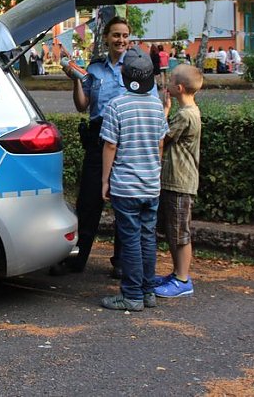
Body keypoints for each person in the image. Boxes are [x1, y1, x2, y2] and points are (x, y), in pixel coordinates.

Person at [50, 16, 157, 278]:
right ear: (106, 38)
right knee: (88, 203)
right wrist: (75, 79)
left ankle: (121, 262)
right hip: (98, 140)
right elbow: (82, 105)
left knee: (125, 202)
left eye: (125, 36)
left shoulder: (137, 67)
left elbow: (149, 102)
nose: (121, 40)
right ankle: (76, 260)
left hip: (126, 141)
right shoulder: (95, 69)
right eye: (116, 35)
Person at [99, 49, 168, 311]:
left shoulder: (117, 105)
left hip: (125, 185)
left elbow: (110, 147)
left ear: (124, 77)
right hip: (151, 184)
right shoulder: (156, 106)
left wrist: (105, 181)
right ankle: (148, 292)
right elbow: (161, 143)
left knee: (129, 239)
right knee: (148, 238)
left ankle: (132, 296)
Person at [154, 65, 203, 299]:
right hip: (176, 180)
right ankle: (177, 274)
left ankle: (183, 279)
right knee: (174, 230)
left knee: (180, 232)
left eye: (171, 81)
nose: (167, 84)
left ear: (179, 88)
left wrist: (163, 112)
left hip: (180, 182)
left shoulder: (185, 115)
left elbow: (162, 136)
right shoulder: (190, 110)